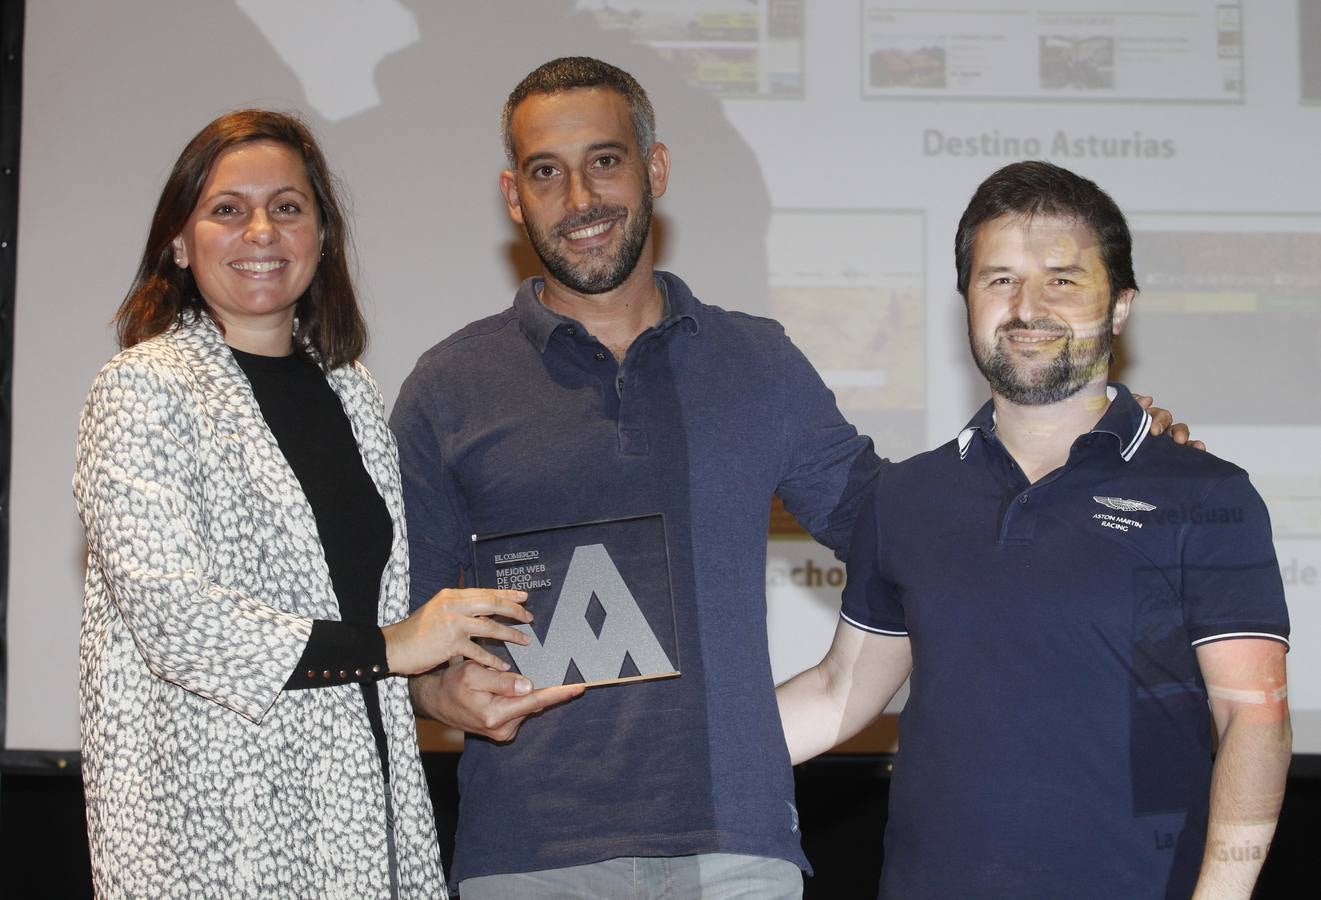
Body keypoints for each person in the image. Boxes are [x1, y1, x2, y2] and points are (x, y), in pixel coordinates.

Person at [391, 59, 1187, 898]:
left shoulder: (756, 364)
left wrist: (1086, 450)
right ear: (513, 196)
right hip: (527, 849)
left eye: (606, 160)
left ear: (654, 170)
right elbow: (396, 626)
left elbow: (905, 527)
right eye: (546, 172)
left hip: (735, 848)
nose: (580, 196)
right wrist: (441, 691)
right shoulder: (448, 387)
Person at [776, 160, 1291, 899]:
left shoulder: (1204, 494)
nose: (1026, 306)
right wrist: (671, 757)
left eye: (1062, 279)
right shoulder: (905, 494)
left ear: (1117, 307)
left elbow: (1255, 725)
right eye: (999, 279)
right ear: (966, 303)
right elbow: (836, 695)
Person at [74, 110, 533, 900]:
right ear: (179, 243)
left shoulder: (354, 393)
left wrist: (433, 678)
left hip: (361, 811)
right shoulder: (142, 388)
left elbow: (366, 616)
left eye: (287, 207)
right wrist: (395, 646)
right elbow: (173, 617)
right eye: (227, 209)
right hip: (213, 830)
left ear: (320, 237)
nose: (261, 230)